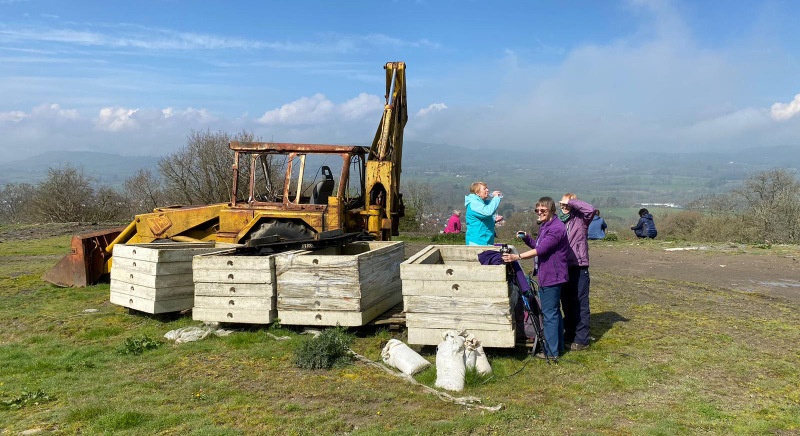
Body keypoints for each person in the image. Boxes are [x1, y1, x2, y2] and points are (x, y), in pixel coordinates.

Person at [502, 197, 570, 359]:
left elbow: (542, 250)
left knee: (549, 314)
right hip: (548, 275)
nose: (539, 213)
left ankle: (551, 352)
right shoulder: (546, 226)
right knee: (554, 312)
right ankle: (557, 347)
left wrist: (516, 257)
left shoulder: (556, 228)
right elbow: (538, 245)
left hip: (552, 276)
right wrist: (527, 238)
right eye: (537, 210)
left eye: (543, 210)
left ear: (552, 211)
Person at [559, 193, 596, 351]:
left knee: (580, 303)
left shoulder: (581, 219)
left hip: (579, 265)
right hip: (562, 266)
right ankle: (569, 334)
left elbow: (591, 209)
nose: (565, 206)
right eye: (563, 203)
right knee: (566, 302)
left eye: (568, 204)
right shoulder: (558, 221)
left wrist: (572, 202)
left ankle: (582, 340)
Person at [464, 181, 503, 246]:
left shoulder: (481, 203)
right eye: (484, 189)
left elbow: (481, 221)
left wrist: (494, 221)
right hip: (477, 242)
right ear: (477, 193)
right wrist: (496, 198)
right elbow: (488, 212)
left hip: (486, 241)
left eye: (487, 188)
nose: (487, 190)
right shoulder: (474, 203)